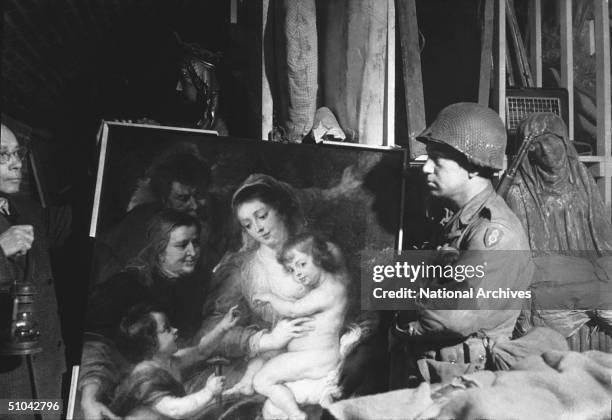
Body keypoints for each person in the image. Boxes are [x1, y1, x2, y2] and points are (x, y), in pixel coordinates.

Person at [390, 103, 539, 385]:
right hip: (436, 372)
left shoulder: (494, 232)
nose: (426, 168)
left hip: (467, 382)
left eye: (437, 160)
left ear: (472, 167)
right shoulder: (457, 220)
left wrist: (402, 312)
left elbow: (454, 315)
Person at [79, 210, 211, 419]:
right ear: (159, 251)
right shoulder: (127, 286)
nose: (193, 252)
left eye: (195, 243)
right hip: (122, 392)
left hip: (174, 378)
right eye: (181, 245)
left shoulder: (196, 281)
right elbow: (93, 342)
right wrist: (89, 397)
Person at [227, 232, 348, 420]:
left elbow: (292, 310)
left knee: (262, 381)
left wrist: (270, 297)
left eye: (302, 264)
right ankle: (253, 388)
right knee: (262, 369)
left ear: (320, 258)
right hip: (309, 356)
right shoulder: (321, 287)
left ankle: (296, 415)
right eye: (292, 269)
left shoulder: (331, 289)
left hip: (316, 358)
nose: (297, 273)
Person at [0, 123, 71, 419]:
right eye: (3, 155)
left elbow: (80, 218)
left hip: (46, 381)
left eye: (17, 153)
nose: (17, 163)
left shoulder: (27, 210)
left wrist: (106, 151)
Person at [93, 148, 222, 288]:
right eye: (182, 198)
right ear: (164, 199)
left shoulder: (211, 223)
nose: (195, 205)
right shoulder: (142, 221)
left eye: (199, 196)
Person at [110, 304, 239, 419]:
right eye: (166, 329)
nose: (175, 330)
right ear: (150, 341)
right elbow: (174, 410)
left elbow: (201, 351)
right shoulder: (145, 378)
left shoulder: (169, 361)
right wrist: (208, 391)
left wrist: (222, 328)